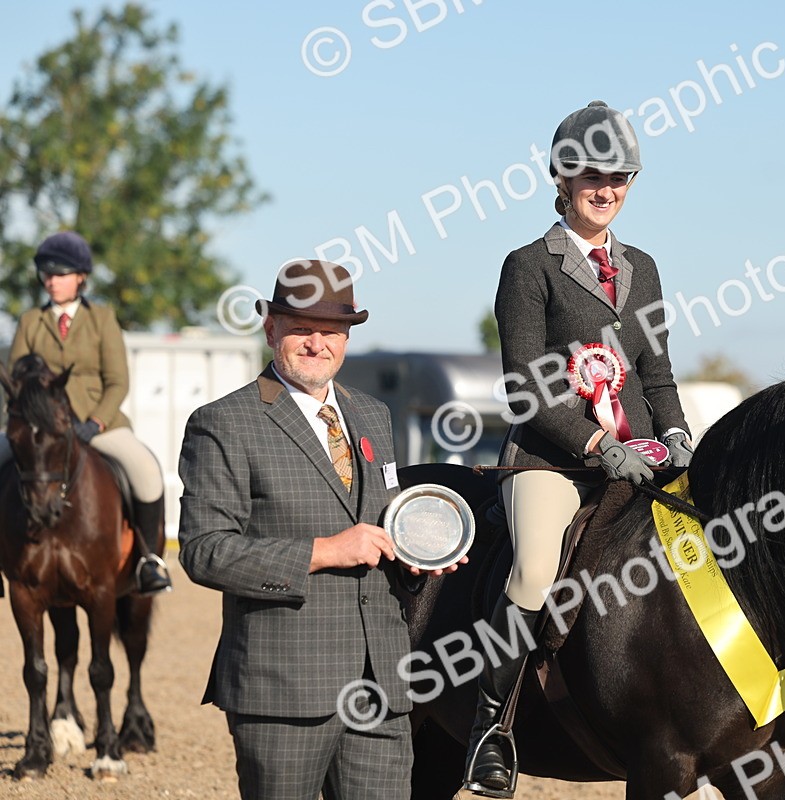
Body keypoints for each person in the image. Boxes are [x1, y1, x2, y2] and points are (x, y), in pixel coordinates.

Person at [461, 100, 693, 797]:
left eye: (619, 177)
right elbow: (524, 387)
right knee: (534, 572)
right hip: (553, 459)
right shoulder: (529, 265)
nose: (606, 188)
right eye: (592, 175)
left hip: (643, 455)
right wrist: (595, 443)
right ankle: (491, 728)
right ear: (562, 179)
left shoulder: (643, 267)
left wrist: (677, 435)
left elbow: (656, 372)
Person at [177, 260, 461, 799]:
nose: (317, 343)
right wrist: (326, 551)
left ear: (347, 339)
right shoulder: (223, 423)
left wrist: (418, 552)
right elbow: (204, 551)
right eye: (302, 329)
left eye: (331, 331)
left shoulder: (373, 415)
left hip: (381, 686)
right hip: (283, 689)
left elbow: (382, 521)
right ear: (271, 330)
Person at [2, 231, 170, 594]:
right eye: (47, 274)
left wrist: (96, 422)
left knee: (145, 470)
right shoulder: (31, 321)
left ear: (81, 277)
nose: (51, 281)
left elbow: (118, 381)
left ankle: (149, 560)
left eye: (60, 274)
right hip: (42, 428)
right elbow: (15, 381)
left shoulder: (102, 319)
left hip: (100, 423)